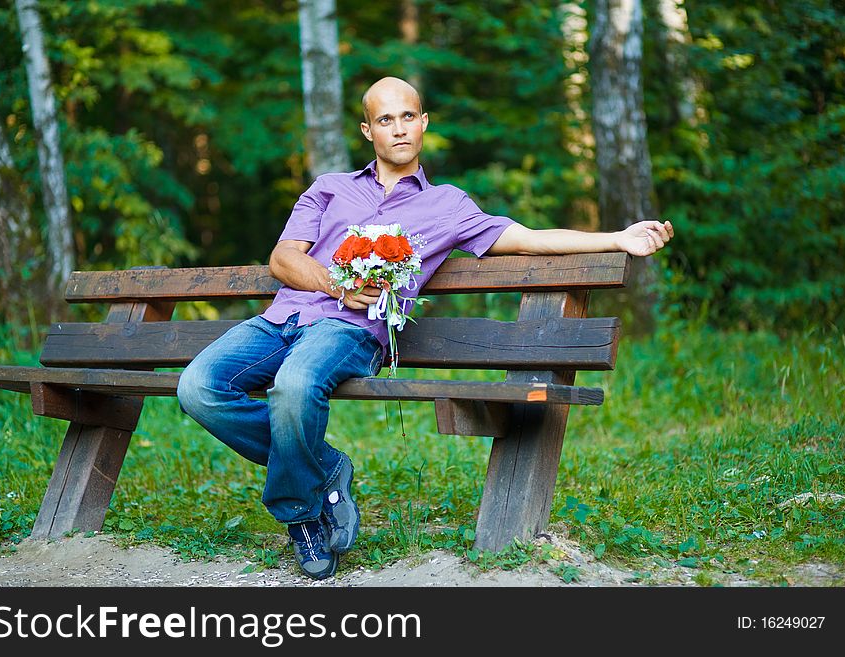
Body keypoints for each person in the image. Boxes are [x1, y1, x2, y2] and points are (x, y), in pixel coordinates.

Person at [177, 76, 674, 580]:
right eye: (386, 120)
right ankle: (324, 469)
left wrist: (617, 238)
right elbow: (283, 259)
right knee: (197, 387)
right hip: (282, 318)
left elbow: (526, 239)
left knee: (295, 385)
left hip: (349, 333)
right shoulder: (329, 188)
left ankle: (301, 516)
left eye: (408, 117)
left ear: (424, 124)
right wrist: (337, 286)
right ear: (368, 130)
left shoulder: (449, 207)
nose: (399, 129)